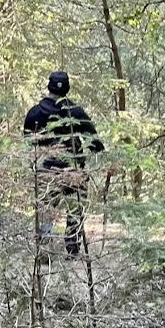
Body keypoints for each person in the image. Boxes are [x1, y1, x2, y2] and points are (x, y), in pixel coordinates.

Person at [23, 70, 105, 257]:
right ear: (67, 88)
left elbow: (27, 142)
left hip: (46, 170)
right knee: (75, 208)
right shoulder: (76, 112)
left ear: (49, 86)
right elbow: (94, 142)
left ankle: (44, 250)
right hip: (73, 170)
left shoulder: (35, 112)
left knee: (45, 209)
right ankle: (72, 248)